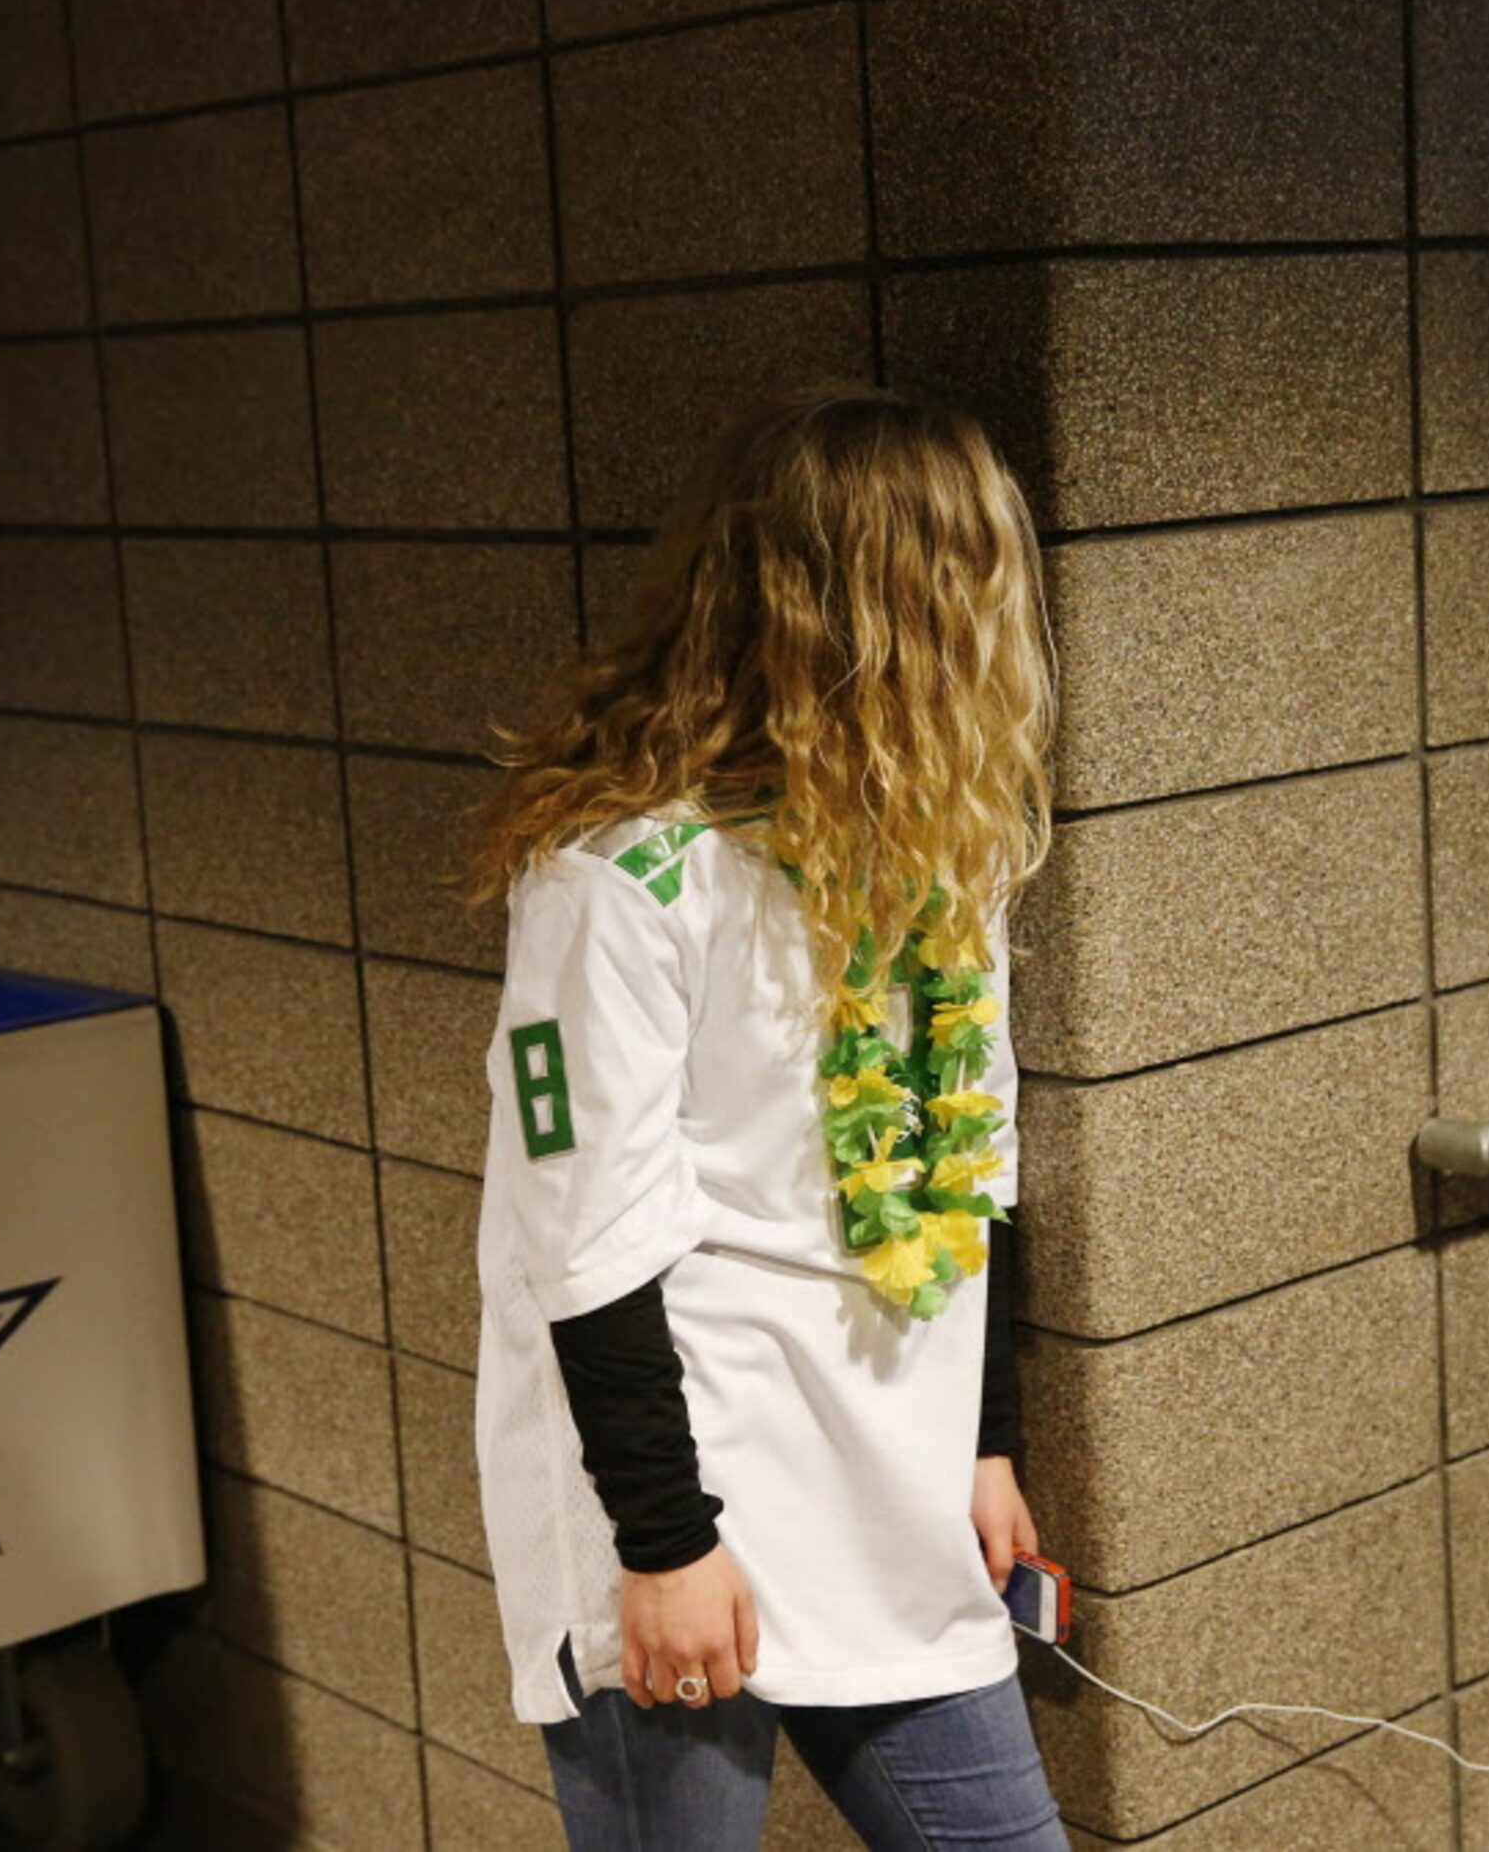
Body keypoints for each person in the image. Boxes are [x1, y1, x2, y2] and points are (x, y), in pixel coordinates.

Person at [450, 383, 1070, 1849]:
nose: (1002, 624)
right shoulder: (620, 876)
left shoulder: (932, 848)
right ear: (875, 610)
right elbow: (587, 1234)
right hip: (679, 1490)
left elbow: (975, 1165)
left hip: (883, 1475)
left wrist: (980, 1440)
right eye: (971, 582)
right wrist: (665, 1543)